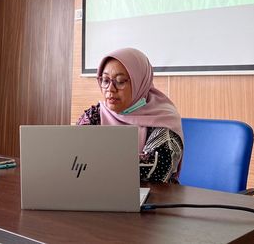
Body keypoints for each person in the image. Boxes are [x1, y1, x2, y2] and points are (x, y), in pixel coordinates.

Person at [77, 48, 183, 183]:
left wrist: (92, 163)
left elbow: (153, 172)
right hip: (95, 196)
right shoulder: (95, 114)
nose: (110, 89)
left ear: (139, 82)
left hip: (154, 200)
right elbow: (73, 155)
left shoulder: (163, 122)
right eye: (105, 80)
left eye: (120, 81)